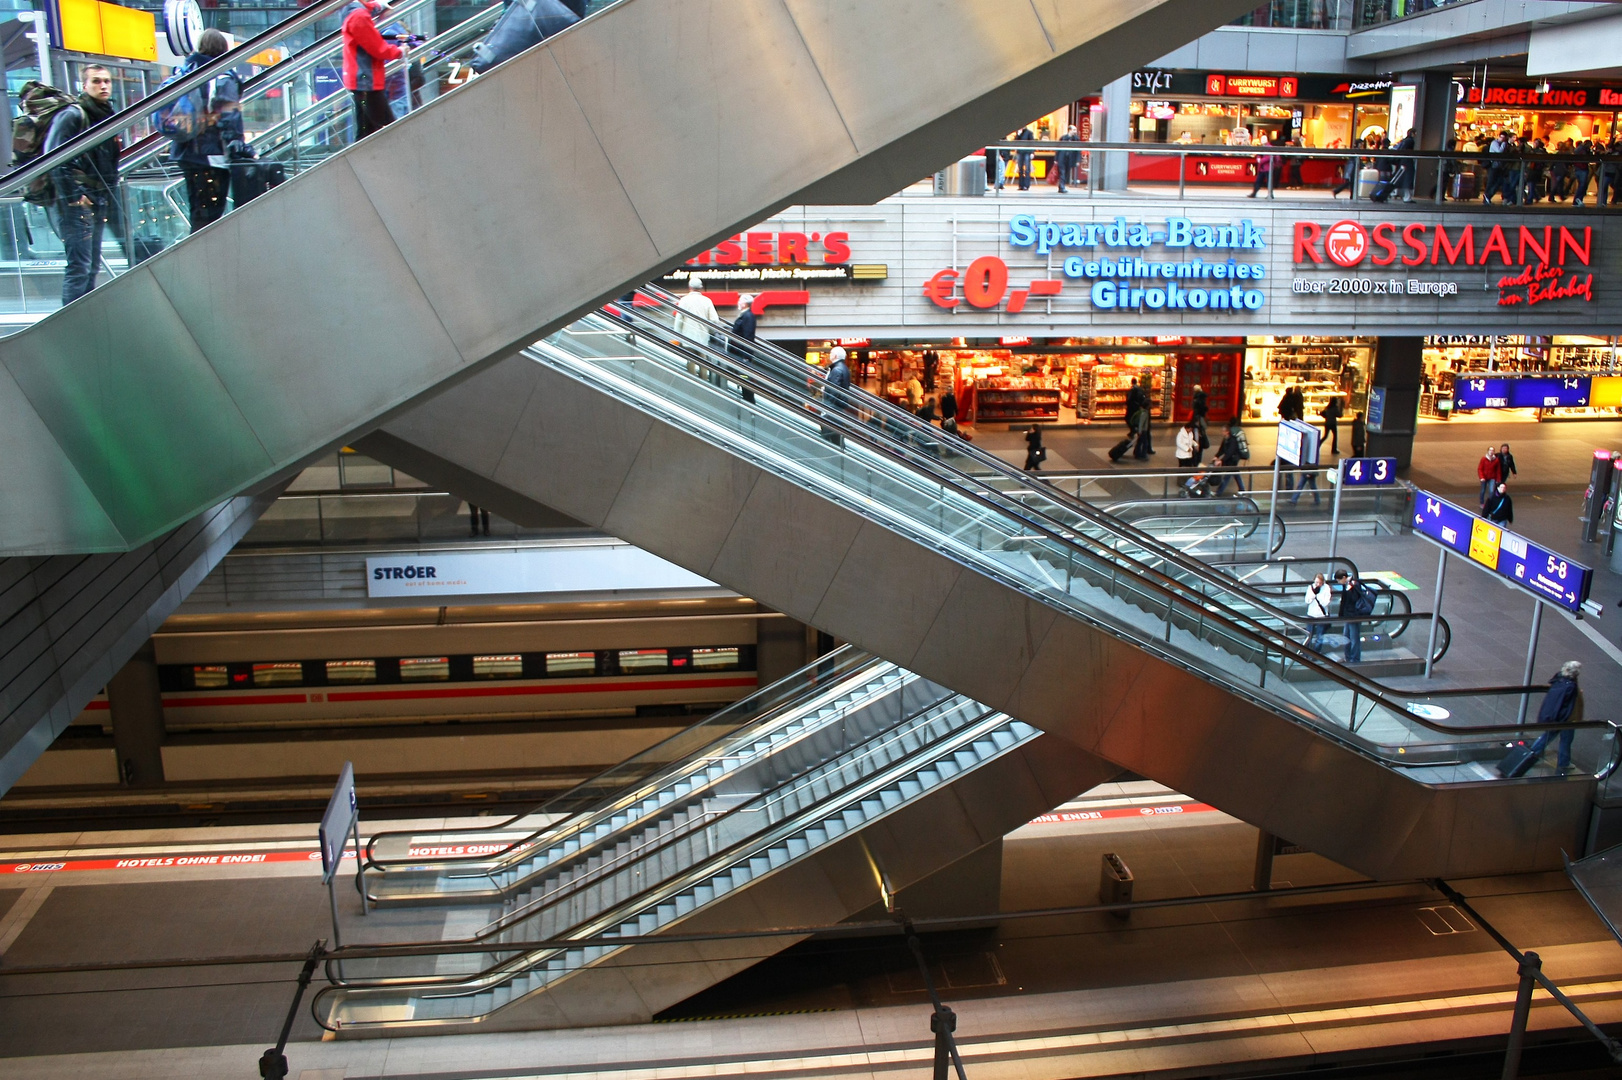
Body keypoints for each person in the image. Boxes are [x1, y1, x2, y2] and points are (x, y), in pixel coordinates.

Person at [44, 65, 120, 304]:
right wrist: (75, 197)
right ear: (84, 86)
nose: (104, 85)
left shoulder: (105, 113)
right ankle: (70, 326)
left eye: (107, 81)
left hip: (97, 196)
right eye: (96, 81)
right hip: (77, 202)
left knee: (91, 265)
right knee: (80, 266)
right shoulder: (74, 115)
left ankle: (84, 317)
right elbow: (54, 159)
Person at [158, 29, 241, 233]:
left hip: (186, 151)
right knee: (211, 213)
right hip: (211, 155)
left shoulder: (186, 71)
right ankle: (206, 258)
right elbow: (229, 116)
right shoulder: (222, 76)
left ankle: (199, 254)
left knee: (198, 209)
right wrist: (238, 144)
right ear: (224, 48)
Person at [343, 0, 410, 142]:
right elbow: (377, 47)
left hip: (361, 78)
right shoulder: (359, 16)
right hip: (366, 79)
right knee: (386, 127)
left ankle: (362, 161)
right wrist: (399, 51)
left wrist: (377, 6)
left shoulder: (351, 10)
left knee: (366, 129)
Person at [1525, 661, 1584, 774]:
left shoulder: (1559, 680)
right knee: (1565, 740)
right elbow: (1567, 704)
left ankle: (1531, 755)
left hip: (1556, 718)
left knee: (1547, 736)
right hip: (1566, 719)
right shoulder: (1570, 686)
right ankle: (1563, 763)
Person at [673, 276, 719, 376]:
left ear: (689, 287)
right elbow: (715, 320)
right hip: (702, 337)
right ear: (701, 287)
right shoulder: (707, 301)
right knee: (703, 363)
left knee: (690, 361)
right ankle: (704, 382)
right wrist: (710, 331)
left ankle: (693, 384)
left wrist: (677, 336)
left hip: (688, 337)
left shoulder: (684, 300)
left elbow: (679, 319)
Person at [1334, 569, 1370, 662]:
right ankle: (1348, 657)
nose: (1338, 582)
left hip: (1354, 616)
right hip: (1348, 615)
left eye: (1339, 580)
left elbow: (1353, 600)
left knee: (1354, 638)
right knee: (1346, 636)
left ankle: (1355, 658)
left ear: (1344, 578)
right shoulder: (1347, 585)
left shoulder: (1353, 585)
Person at [821, 345, 853, 445]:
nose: (829, 355)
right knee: (836, 437)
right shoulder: (844, 368)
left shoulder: (836, 370)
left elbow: (834, 391)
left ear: (835, 356)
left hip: (833, 410)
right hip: (838, 408)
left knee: (828, 437)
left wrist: (827, 409)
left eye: (831, 353)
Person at [729, 292, 757, 403]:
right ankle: (746, 399)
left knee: (744, 377)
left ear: (745, 303)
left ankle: (748, 400)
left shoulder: (748, 316)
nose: (738, 302)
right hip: (740, 354)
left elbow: (748, 336)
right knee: (743, 377)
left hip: (742, 354)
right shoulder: (745, 315)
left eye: (740, 300)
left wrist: (746, 356)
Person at [1211, 418, 1250, 496]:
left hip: (1234, 458)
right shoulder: (1225, 439)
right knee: (1235, 473)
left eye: (1223, 431)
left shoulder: (1232, 440)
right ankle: (1242, 490)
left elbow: (1229, 452)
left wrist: (1221, 460)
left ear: (1227, 432)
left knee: (1228, 475)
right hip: (1230, 458)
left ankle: (1219, 492)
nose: (1222, 433)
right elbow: (1222, 449)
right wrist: (1216, 456)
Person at [1304, 573, 1333, 653]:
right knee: (1308, 634)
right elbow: (1307, 600)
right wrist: (1313, 594)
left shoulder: (1326, 588)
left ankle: (1316, 653)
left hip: (1321, 615)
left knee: (1319, 637)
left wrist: (1318, 596)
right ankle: (1306, 652)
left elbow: (1326, 602)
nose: (1318, 584)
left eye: (1320, 583)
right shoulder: (1310, 587)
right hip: (1311, 614)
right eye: (1316, 582)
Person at [1056, 124, 1081, 193]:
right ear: (1069, 130)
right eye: (1074, 130)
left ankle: (1061, 186)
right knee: (1062, 172)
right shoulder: (1063, 138)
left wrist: (1078, 160)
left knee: (1066, 173)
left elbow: (1078, 150)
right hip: (1062, 158)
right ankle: (1062, 186)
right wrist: (1056, 159)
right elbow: (1058, 148)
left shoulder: (1076, 139)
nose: (1075, 131)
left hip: (1070, 159)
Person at [1014, 126, 1035, 191]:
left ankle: (1026, 185)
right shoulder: (1018, 133)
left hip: (1027, 152)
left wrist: (1032, 152)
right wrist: (1018, 135)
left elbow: (1032, 143)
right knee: (1020, 169)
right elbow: (1016, 142)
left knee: (1027, 169)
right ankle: (1021, 185)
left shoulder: (1029, 133)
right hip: (1020, 152)